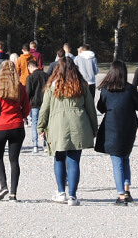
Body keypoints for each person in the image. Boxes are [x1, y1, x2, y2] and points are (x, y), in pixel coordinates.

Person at [38, 57, 97, 206]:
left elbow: (45, 108)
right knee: (74, 160)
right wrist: (94, 127)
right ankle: (73, 196)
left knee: (59, 157)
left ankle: (61, 192)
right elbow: (91, 108)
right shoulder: (81, 85)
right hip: (79, 123)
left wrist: (41, 126)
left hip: (58, 124)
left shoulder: (52, 85)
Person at [95, 60, 138, 205]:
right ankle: (126, 190)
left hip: (112, 126)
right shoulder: (130, 89)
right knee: (125, 158)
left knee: (117, 161)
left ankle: (121, 194)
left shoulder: (106, 89)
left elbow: (101, 108)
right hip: (128, 126)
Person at [0, 61, 28, 201]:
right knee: (14, 159)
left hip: (0, 126)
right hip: (17, 126)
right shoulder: (20, 88)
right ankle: (13, 193)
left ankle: (3, 185)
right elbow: (27, 109)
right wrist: (20, 116)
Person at [24, 57, 49, 153]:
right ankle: (45, 144)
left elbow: (28, 92)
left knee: (35, 123)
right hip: (45, 102)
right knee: (45, 123)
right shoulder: (46, 75)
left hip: (34, 103)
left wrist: (27, 103)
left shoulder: (30, 77)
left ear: (30, 67)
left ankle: (35, 145)